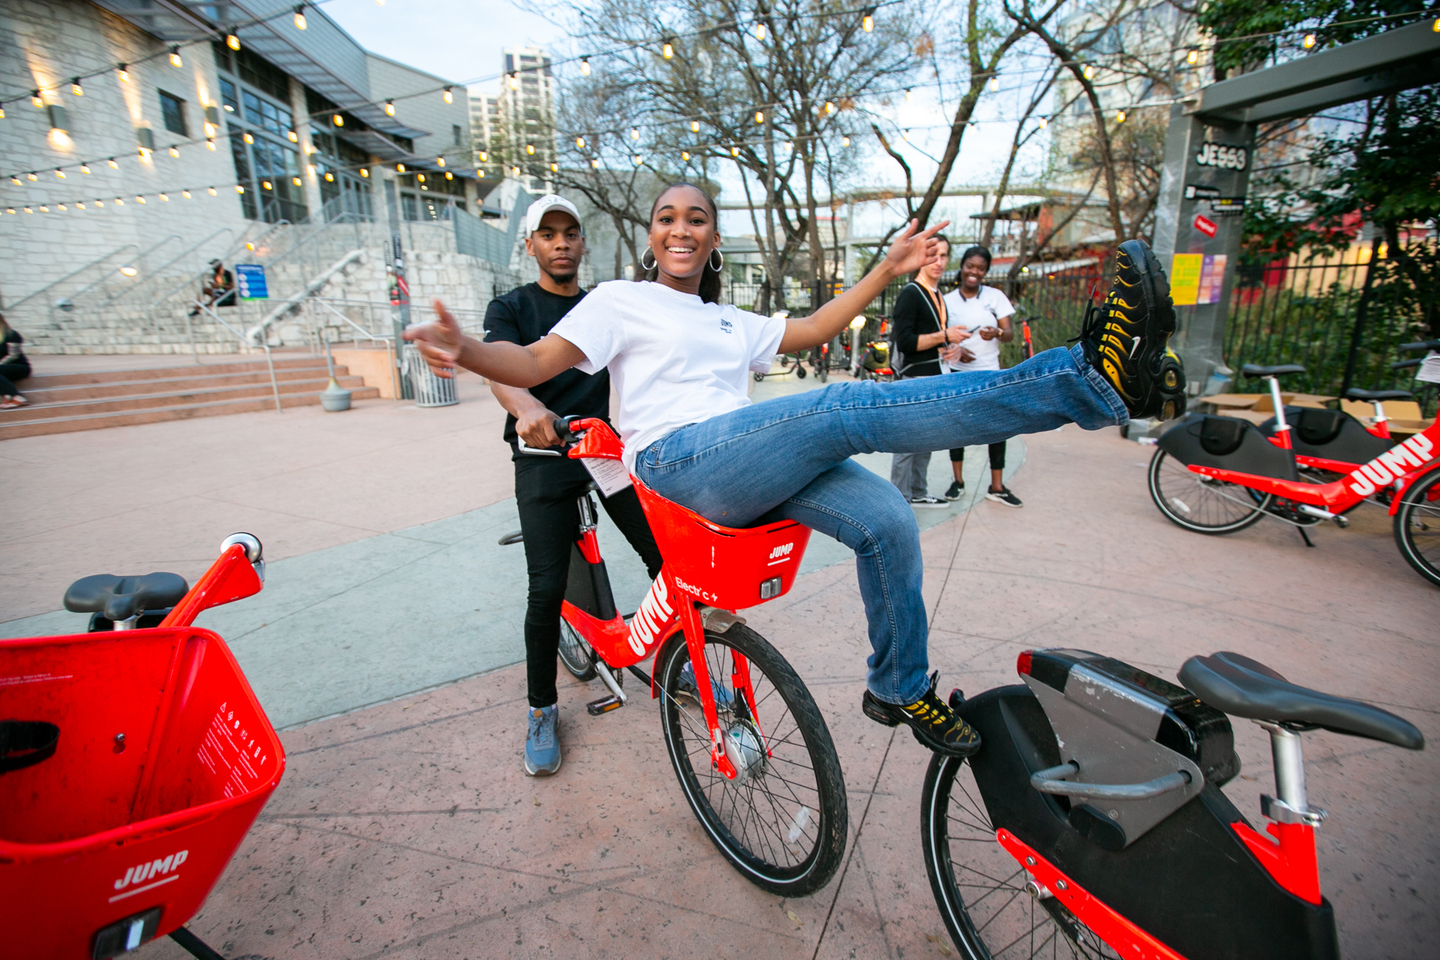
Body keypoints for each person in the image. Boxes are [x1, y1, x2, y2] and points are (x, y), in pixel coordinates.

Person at [405, 182, 1185, 759]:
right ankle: (1089, 378)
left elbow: (814, 327)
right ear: (652, 236)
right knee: (842, 408)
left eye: (696, 218)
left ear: (713, 238)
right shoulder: (618, 301)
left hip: (744, 459)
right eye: (667, 217)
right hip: (679, 459)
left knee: (887, 520)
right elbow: (533, 362)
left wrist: (885, 269)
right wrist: (466, 350)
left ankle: (900, 685)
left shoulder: (727, 319)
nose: (681, 228)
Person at [484, 195, 664, 777]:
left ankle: (681, 664)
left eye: (570, 232)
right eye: (548, 233)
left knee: (665, 559)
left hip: (603, 450)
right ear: (530, 245)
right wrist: (527, 409)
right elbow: (499, 369)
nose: (560, 242)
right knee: (545, 589)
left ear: (583, 242)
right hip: (543, 453)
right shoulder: (511, 307)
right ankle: (541, 709)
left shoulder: (603, 304)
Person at [888, 234, 967, 508]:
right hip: (914, 379)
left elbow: (936, 339)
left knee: (926, 440)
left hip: (936, 375)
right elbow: (905, 342)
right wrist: (944, 335)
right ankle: (900, 500)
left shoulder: (937, 295)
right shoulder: (911, 293)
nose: (938, 261)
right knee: (907, 442)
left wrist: (952, 348)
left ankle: (918, 491)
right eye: (933, 255)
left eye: (943, 255)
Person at [941, 245, 1021, 506]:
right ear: (962, 267)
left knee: (997, 428)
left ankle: (997, 486)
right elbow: (941, 337)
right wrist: (957, 350)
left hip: (989, 372)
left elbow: (1009, 334)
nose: (974, 272)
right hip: (957, 372)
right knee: (956, 428)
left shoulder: (995, 297)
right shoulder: (947, 300)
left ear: (985, 271)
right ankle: (957, 481)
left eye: (981, 268)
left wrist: (997, 332)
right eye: (970, 266)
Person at [0, 314, 30, 410]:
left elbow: (13, 355)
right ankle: (8, 397)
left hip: (19, 366)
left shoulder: (11, 334)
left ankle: (17, 397)